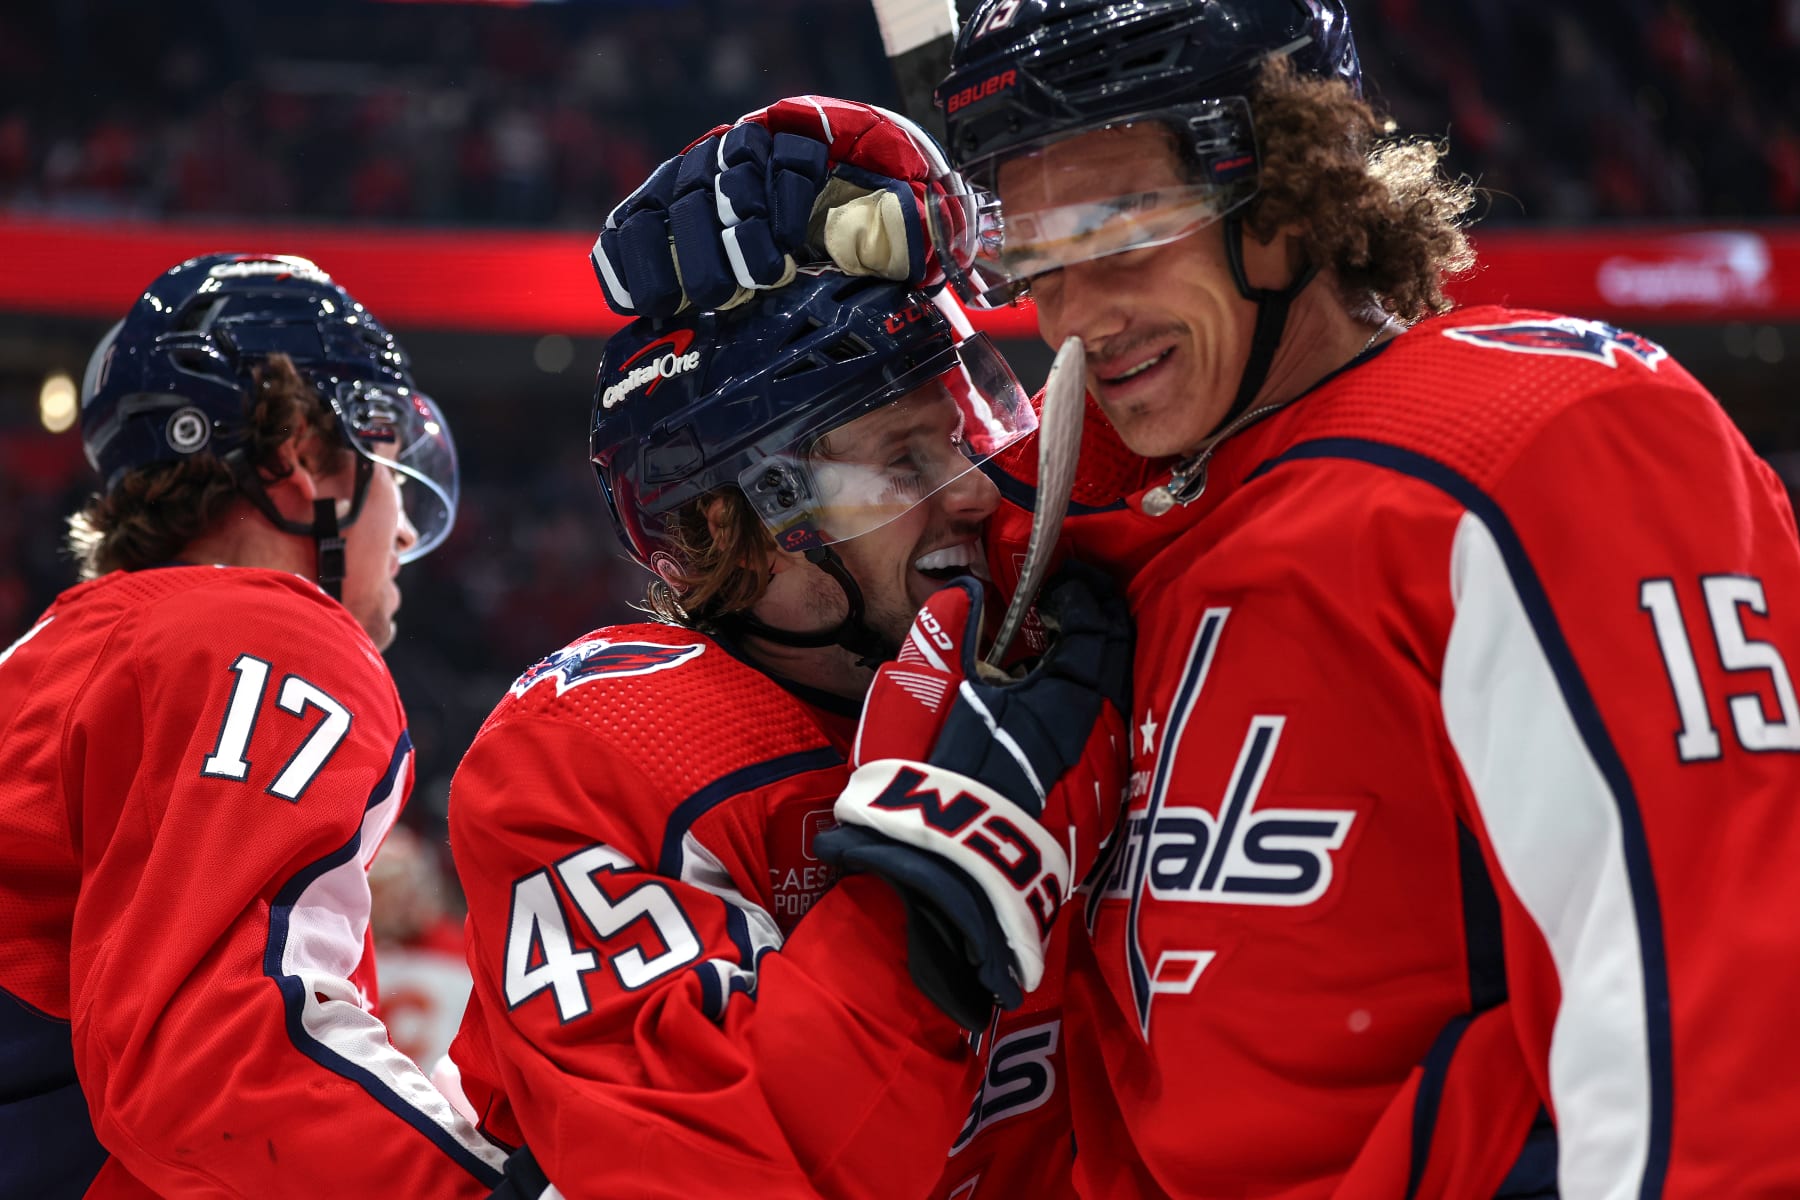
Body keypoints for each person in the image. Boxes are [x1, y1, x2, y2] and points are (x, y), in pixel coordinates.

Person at [595, 1, 1800, 1193]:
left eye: (1123, 230)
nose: (1078, 318)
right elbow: (818, 552)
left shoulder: (1550, 445)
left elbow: (1724, 1018)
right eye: (1041, 262)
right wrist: (779, 250)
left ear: (1288, 185)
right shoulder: (1096, 505)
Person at [442, 266, 1130, 1200]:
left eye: (963, 439)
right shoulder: (605, 741)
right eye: (903, 462)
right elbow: (705, 1166)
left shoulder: (1047, 638)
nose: (974, 496)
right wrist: (937, 891)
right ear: (738, 526)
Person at [0, 253, 507, 1198]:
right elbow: (215, 1057)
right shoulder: (270, 632)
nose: (403, 529)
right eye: (390, 452)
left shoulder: (57, 648)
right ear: (308, 456)